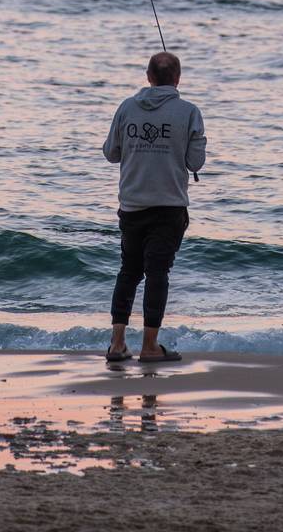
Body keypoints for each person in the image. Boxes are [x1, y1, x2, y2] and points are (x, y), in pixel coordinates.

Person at [102, 51, 207, 363]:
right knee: (157, 273)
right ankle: (150, 346)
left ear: (148, 77)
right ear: (177, 79)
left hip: (132, 205)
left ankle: (118, 344)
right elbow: (195, 162)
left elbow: (111, 153)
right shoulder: (189, 112)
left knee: (129, 271)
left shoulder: (126, 107)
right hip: (169, 207)